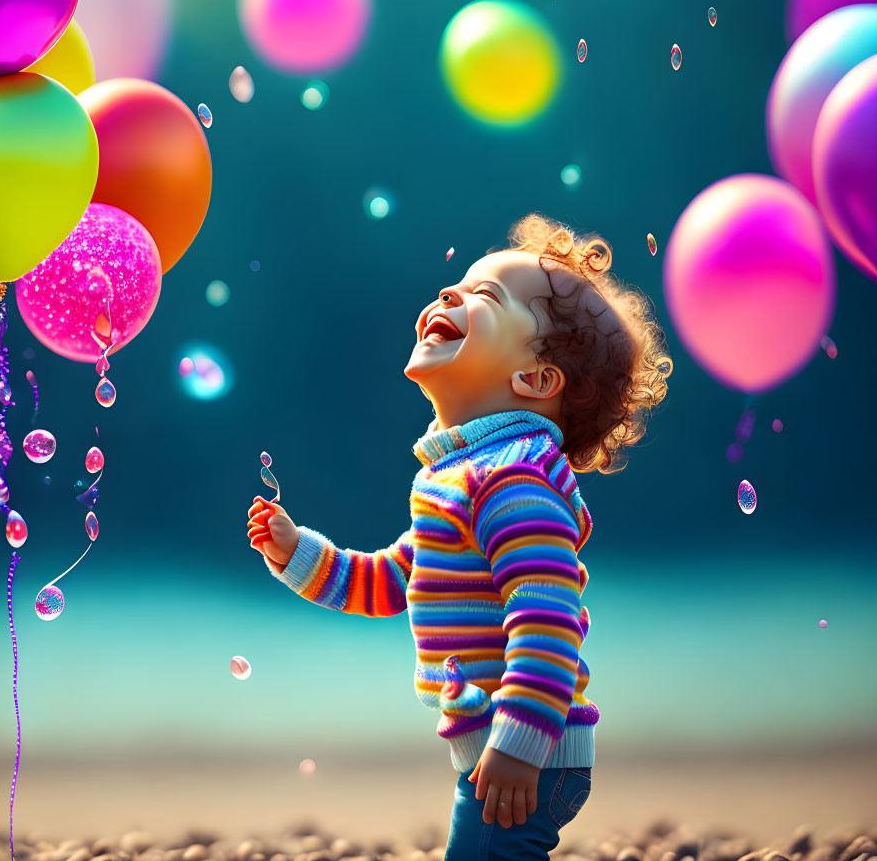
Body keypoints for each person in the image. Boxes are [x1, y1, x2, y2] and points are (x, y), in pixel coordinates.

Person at [246, 211, 672, 860]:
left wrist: (518, 746)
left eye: (485, 297)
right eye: (458, 286)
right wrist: (296, 552)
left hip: (531, 744)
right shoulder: (460, 478)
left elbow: (549, 623)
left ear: (533, 379)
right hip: (505, 743)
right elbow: (388, 582)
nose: (450, 295)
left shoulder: (513, 484)